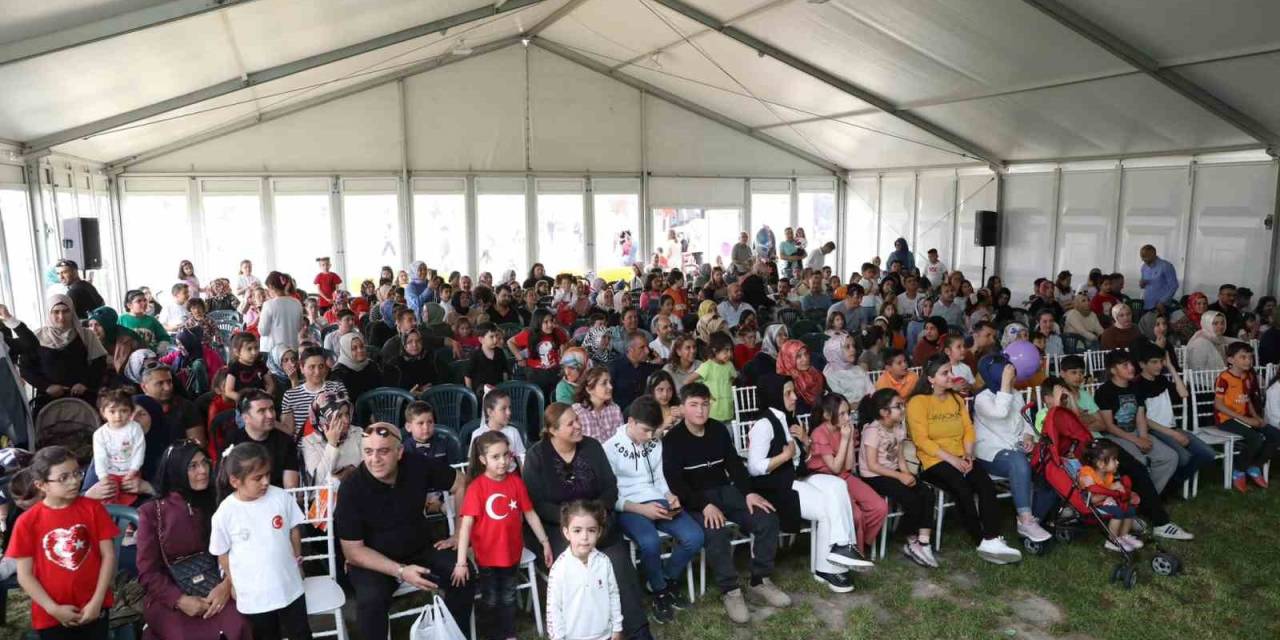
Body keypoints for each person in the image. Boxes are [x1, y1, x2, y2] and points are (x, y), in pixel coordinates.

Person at [663, 383, 789, 624]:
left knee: (767, 517)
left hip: (724, 490)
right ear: (682, 408)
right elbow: (676, 483)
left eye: (704, 404)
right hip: (695, 498)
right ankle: (730, 590)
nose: (700, 410)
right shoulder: (673, 439)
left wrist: (749, 493)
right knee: (715, 530)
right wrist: (703, 505)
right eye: (694, 405)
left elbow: (734, 465)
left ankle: (760, 580)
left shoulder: (719, 430)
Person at [335, 422, 472, 639]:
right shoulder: (352, 486)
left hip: (419, 547)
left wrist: (459, 534)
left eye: (383, 451)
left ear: (399, 452)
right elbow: (353, 551)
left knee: (463, 573)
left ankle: (455, 633)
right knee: (371, 600)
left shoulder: (416, 464)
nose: (374, 459)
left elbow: (461, 483)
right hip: (373, 560)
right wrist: (400, 571)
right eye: (368, 452)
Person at [906, 354, 1022, 564]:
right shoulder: (918, 403)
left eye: (951, 371)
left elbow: (969, 430)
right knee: (962, 488)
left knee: (985, 484)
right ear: (931, 379)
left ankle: (993, 537)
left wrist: (968, 454)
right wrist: (953, 460)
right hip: (934, 461)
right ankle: (980, 540)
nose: (951, 376)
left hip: (962, 456)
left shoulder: (956, 399)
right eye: (944, 373)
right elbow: (922, 440)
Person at [136, 441, 249, 639]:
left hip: (220, 585)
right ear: (176, 470)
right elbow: (148, 573)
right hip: (169, 594)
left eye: (205, 463)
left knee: (238, 623)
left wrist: (226, 585)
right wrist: (180, 600)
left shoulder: (220, 502)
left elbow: (241, 551)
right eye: (193, 466)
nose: (203, 470)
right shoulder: (152, 513)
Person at [605, 397, 702, 622]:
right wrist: (641, 509)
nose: (650, 436)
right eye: (646, 430)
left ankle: (665, 580)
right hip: (628, 506)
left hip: (657, 499)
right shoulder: (609, 448)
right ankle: (659, 592)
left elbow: (659, 478)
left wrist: (669, 495)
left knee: (694, 536)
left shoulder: (654, 442)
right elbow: (611, 496)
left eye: (653, 431)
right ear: (630, 422)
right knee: (650, 542)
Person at [454, 431, 555, 640]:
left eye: (506, 455)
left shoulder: (516, 482)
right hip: (487, 555)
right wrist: (461, 561)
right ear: (483, 460)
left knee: (508, 594)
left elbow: (530, 514)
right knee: (490, 597)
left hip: (512, 552)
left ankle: (508, 633)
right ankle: (492, 633)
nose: (502, 461)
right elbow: (465, 527)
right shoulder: (476, 488)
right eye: (495, 457)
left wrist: (544, 541)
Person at [7, 446, 118, 639]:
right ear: (41, 485)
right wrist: (53, 609)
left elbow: (108, 555)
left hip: (94, 606)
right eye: (63, 477)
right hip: (51, 614)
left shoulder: (93, 508)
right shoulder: (27, 522)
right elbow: (24, 575)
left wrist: (97, 601)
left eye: (77, 473)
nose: (74, 481)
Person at [210, 442, 311, 640]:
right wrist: (234, 584)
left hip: (290, 588)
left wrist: (297, 560)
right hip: (254, 596)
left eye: (267, 474)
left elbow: (293, 530)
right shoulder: (225, 513)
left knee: (301, 634)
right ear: (235, 481)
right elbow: (222, 555)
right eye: (258, 478)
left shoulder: (280, 497)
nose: (265, 481)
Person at [971, 355, 1053, 542]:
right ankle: (1025, 519)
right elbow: (1000, 413)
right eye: (1009, 374)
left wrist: (1027, 437)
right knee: (1018, 461)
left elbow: (1025, 422)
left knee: (1048, 460)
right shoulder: (982, 398)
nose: (1014, 378)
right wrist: (1005, 385)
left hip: (1016, 448)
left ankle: (1037, 517)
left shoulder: (1015, 394)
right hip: (992, 453)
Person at [857, 389, 937, 567]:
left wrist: (907, 474)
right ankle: (910, 538)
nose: (903, 409)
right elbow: (872, 465)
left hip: (894, 472)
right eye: (898, 406)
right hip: (874, 476)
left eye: (902, 405)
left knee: (926, 492)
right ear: (884, 412)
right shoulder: (873, 432)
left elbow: (900, 457)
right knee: (911, 499)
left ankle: (924, 542)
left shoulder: (898, 427)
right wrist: (900, 476)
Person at [807, 394, 887, 557]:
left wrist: (849, 439)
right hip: (825, 480)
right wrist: (845, 439)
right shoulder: (819, 434)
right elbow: (835, 468)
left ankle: (863, 543)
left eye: (848, 413)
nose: (847, 418)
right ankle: (855, 552)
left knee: (880, 507)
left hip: (844, 476)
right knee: (855, 515)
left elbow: (848, 466)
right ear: (827, 415)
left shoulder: (846, 429)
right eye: (842, 414)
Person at [1094, 350, 1179, 494]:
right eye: (1125, 365)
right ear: (1113, 370)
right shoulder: (1104, 391)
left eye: (1131, 364)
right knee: (1139, 461)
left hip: (1137, 432)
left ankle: (1150, 496)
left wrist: (1144, 437)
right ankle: (1138, 497)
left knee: (1170, 457)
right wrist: (1137, 440)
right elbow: (1109, 426)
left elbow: (1140, 415)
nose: (1131, 368)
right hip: (1116, 436)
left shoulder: (1135, 387)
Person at [1131, 342, 1213, 491]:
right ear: (1142, 364)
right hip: (1154, 430)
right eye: (1154, 362)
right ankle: (1169, 486)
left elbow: (1184, 394)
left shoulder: (1162, 380)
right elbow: (1144, 420)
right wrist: (1174, 434)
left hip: (1171, 427)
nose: (1159, 366)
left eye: (1161, 362)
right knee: (1184, 457)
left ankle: (1174, 483)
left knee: (1208, 454)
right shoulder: (1136, 385)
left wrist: (1171, 367)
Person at [546, 500, 624, 640]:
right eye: (577, 530)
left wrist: (617, 628)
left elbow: (613, 594)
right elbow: (553, 609)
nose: (584, 537)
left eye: (591, 530)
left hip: (604, 635)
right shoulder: (559, 568)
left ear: (599, 532)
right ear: (566, 532)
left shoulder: (604, 562)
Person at [22, 294, 107, 413]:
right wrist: (46, 387)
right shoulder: (36, 337)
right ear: (48, 313)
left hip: (83, 399)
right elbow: (26, 369)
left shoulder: (86, 335)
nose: (61, 317)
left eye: (66, 311)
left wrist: (85, 384)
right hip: (48, 401)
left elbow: (100, 363)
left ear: (72, 312)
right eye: (56, 312)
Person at [1214, 342, 1278, 492]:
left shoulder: (1249, 376)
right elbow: (1218, 405)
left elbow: (1247, 399)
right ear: (1230, 360)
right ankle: (1239, 470)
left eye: (1250, 357)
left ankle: (1255, 466)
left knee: (1275, 435)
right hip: (1227, 419)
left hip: (1244, 418)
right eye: (1243, 357)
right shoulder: (1224, 378)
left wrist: (1256, 417)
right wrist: (1246, 420)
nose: (1248, 361)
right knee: (1255, 438)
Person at [1077, 439, 1145, 553]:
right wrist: (1111, 490)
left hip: (1107, 502)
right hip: (1093, 506)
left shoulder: (1108, 475)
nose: (1117, 462)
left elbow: (1112, 491)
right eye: (1114, 459)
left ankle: (1124, 536)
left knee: (1130, 509)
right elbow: (1092, 500)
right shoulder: (1087, 476)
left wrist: (1121, 491)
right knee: (1118, 512)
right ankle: (1112, 539)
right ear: (1101, 464)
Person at [225, 389, 300, 489]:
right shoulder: (233, 440)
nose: (270, 415)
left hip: (276, 498)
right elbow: (226, 480)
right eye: (262, 411)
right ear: (246, 418)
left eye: (272, 409)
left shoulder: (285, 441)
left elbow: (291, 486)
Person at [92, 389, 146, 506]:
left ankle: (127, 521)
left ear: (131, 412)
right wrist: (103, 477)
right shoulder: (99, 434)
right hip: (110, 473)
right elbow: (100, 457)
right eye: (112, 411)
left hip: (131, 472)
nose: (118, 416)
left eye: (123, 411)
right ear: (103, 413)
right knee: (109, 495)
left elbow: (139, 451)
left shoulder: (135, 428)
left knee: (130, 497)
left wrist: (133, 471)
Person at [279, 346, 347, 437]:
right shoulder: (290, 395)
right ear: (302, 368)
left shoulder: (337, 388)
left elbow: (346, 418)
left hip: (335, 441)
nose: (317, 372)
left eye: (321, 366)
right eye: (312, 367)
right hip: (305, 447)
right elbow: (289, 430)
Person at [299, 389, 363, 485]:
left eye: (347, 414)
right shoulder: (309, 442)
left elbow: (368, 469)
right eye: (338, 416)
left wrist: (340, 476)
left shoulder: (357, 432)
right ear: (323, 420)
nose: (346, 420)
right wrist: (332, 444)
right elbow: (317, 481)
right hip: (326, 497)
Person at [470, 388, 528, 469]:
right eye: (503, 409)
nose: (509, 412)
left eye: (509, 408)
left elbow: (521, 460)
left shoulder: (513, 432)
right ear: (490, 412)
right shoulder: (478, 434)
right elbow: (473, 464)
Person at [685, 333, 736, 422]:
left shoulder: (730, 365)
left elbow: (732, 381)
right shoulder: (707, 366)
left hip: (729, 412)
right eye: (726, 351)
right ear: (714, 350)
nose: (729, 354)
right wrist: (703, 394)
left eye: (731, 350)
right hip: (712, 414)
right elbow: (687, 382)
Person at [609, 333, 658, 414]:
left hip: (645, 414)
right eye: (642, 348)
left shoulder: (649, 368)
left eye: (647, 347)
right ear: (630, 349)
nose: (647, 351)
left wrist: (659, 361)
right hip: (621, 415)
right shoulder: (614, 367)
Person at [573, 367, 626, 443]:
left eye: (610, 382)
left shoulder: (615, 410)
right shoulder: (577, 412)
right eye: (604, 383)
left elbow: (621, 439)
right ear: (589, 389)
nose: (610, 387)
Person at [822, 333, 873, 408]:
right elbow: (839, 404)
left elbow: (872, 392)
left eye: (853, 346)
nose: (853, 350)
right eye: (847, 347)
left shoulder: (858, 369)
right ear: (836, 351)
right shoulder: (829, 374)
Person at [257, 271, 304, 353]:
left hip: (273, 350)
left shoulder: (268, 304)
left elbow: (263, 331)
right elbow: (299, 327)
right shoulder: (297, 302)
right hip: (292, 348)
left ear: (271, 287)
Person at [223, 332, 276, 402]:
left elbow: (270, 384)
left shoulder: (260, 364)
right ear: (237, 352)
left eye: (256, 348)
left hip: (262, 401)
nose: (254, 352)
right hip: (244, 407)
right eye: (249, 349)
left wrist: (266, 395)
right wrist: (244, 400)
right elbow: (229, 391)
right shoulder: (234, 367)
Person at [331, 333, 383, 402]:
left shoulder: (371, 365)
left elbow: (382, 389)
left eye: (362, 346)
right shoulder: (338, 374)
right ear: (346, 351)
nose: (360, 350)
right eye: (354, 348)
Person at [1138, 245, 1178, 311]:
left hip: (1161, 306)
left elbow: (1174, 286)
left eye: (1144, 256)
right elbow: (1143, 286)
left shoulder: (1166, 266)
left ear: (1153, 254)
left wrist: (1162, 302)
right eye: (1141, 257)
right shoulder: (1144, 267)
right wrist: (1142, 284)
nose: (1142, 259)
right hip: (1147, 304)